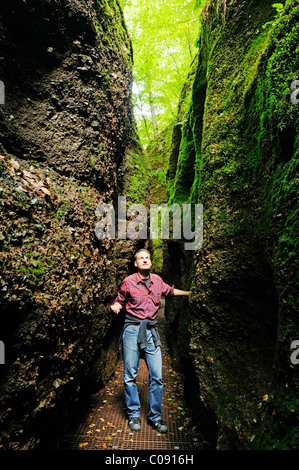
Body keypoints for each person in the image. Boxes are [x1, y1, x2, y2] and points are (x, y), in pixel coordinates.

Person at [110, 248, 190, 433]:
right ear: (136, 264)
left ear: (150, 262)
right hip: (132, 330)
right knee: (130, 375)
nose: (145, 260)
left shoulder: (158, 281)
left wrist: (188, 293)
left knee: (157, 376)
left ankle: (155, 417)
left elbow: (169, 291)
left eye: (147, 257)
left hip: (151, 331)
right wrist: (116, 305)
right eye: (141, 258)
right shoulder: (129, 281)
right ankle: (133, 415)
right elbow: (120, 299)